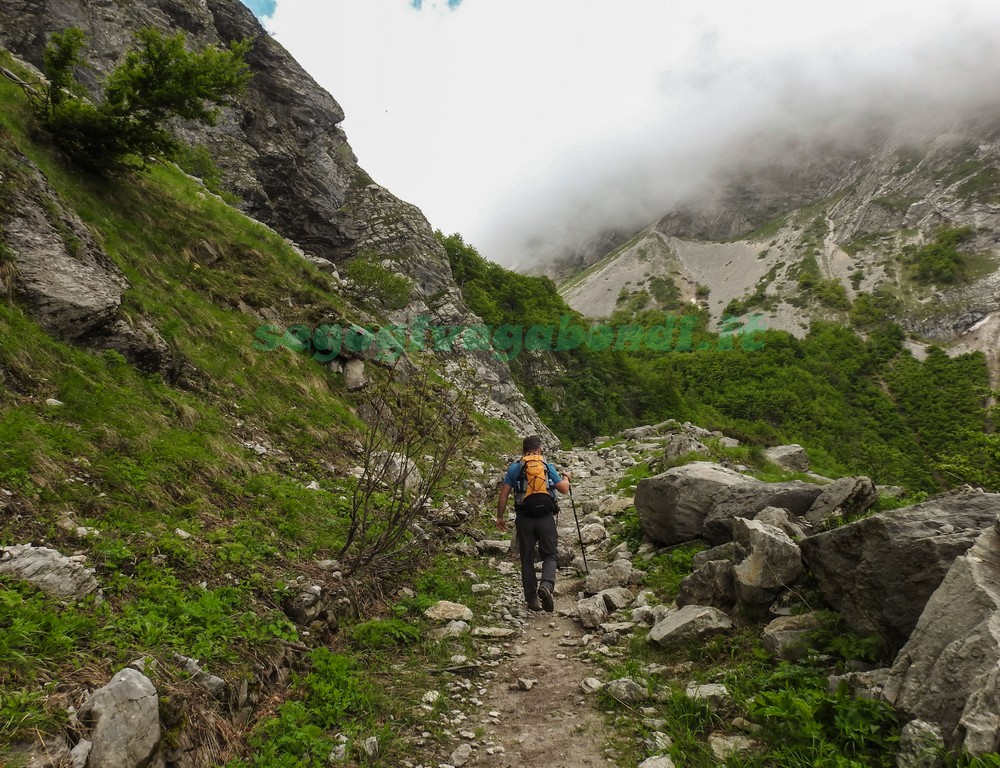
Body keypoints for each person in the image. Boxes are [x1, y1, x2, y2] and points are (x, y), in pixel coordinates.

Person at [496, 435, 571, 612]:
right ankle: (546, 585)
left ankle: (531, 600)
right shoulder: (545, 465)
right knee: (550, 555)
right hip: (545, 517)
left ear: (523, 450)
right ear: (539, 449)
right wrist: (567, 477)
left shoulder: (516, 467)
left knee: (527, 559)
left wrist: (500, 517)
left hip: (524, 518)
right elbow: (564, 489)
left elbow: (504, 494)